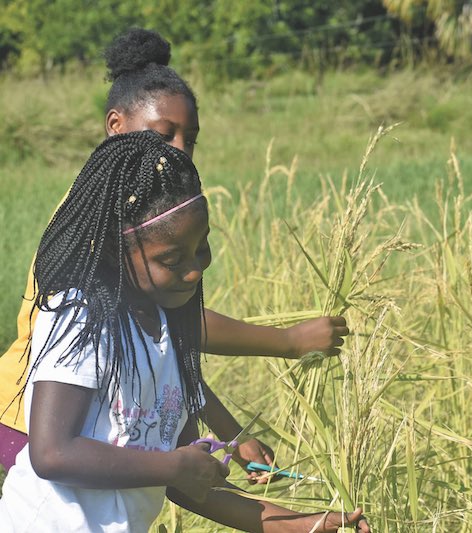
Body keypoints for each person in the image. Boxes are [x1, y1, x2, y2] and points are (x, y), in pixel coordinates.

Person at [0, 28, 349, 482]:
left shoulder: (145, 215)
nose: (180, 150)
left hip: (86, 429)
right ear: (115, 126)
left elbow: (163, 349)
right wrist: (286, 342)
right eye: (165, 135)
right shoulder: (103, 223)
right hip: (31, 424)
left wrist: (230, 433)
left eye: (190, 138)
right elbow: (182, 330)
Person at [0, 131, 370, 533]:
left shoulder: (168, 334)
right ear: (114, 250)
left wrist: (305, 525)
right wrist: (175, 465)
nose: (195, 270)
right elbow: (52, 453)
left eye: (201, 248)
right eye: (172, 259)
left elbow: (182, 484)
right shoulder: (83, 316)